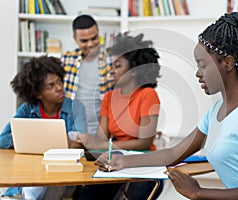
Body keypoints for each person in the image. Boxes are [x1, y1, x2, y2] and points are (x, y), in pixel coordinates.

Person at [95, 12, 238, 199]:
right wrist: (122, 161)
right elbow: (173, 154)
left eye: (202, 65)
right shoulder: (216, 113)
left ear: (227, 63)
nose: (197, 73)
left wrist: (198, 192)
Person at [73, 32, 163, 200]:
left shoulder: (147, 94)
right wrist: (87, 142)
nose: (111, 71)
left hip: (143, 164)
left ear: (134, 71)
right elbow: (102, 139)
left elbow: (144, 142)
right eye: (111, 66)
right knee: (83, 196)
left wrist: (106, 145)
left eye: (117, 66)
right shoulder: (109, 97)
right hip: (116, 161)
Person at [0, 55, 86, 199]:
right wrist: (27, 140)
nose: (59, 88)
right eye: (50, 86)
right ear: (38, 93)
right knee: (34, 177)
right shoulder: (27, 109)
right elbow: (3, 140)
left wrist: (72, 143)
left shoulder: (75, 108)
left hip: (62, 174)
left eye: (59, 81)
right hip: (31, 171)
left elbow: (83, 142)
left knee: (53, 179)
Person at [61, 14, 113, 137]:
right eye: (84, 41)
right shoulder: (67, 59)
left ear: (98, 32)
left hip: (103, 133)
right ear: (75, 38)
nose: (90, 44)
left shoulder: (111, 59)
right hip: (72, 131)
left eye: (94, 38)